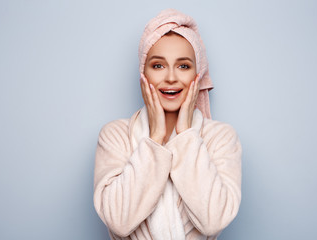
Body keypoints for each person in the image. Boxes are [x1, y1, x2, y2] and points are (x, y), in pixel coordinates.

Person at [93, 9, 242, 240]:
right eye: (158, 66)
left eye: (183, 66)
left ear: (198, 74)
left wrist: (186, 136)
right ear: (144, 74)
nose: (171, 78)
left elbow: (213, 221)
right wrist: (155, 139)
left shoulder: (221, 138)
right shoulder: (115, 135)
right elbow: (119, 223)